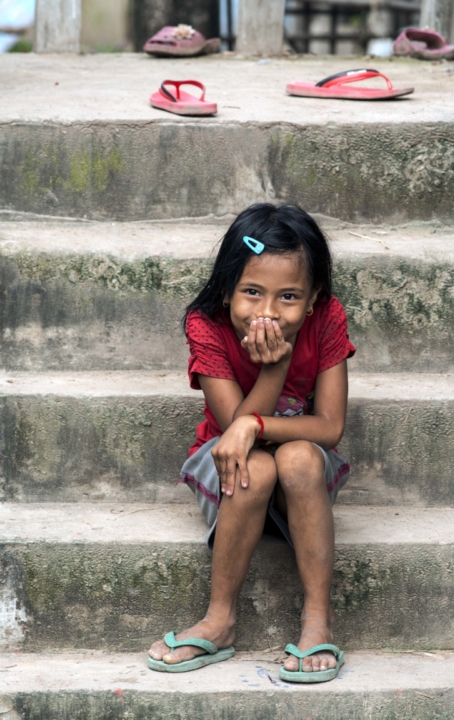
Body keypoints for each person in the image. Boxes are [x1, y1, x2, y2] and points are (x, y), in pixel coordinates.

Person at [148, 203, 356, 683]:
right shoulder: (206, 325)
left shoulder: (328, 317)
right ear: (226, 290)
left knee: (299, 457)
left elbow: (329, 427)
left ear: (313, 299)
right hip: (228, 468)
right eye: (252, 292)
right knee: (253, 466)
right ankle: (219, 619)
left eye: (289, 297)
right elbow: (233, 431)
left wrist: (256, 425)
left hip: (298, 474)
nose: (267, 313)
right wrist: (275, 369)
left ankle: (318, 619)